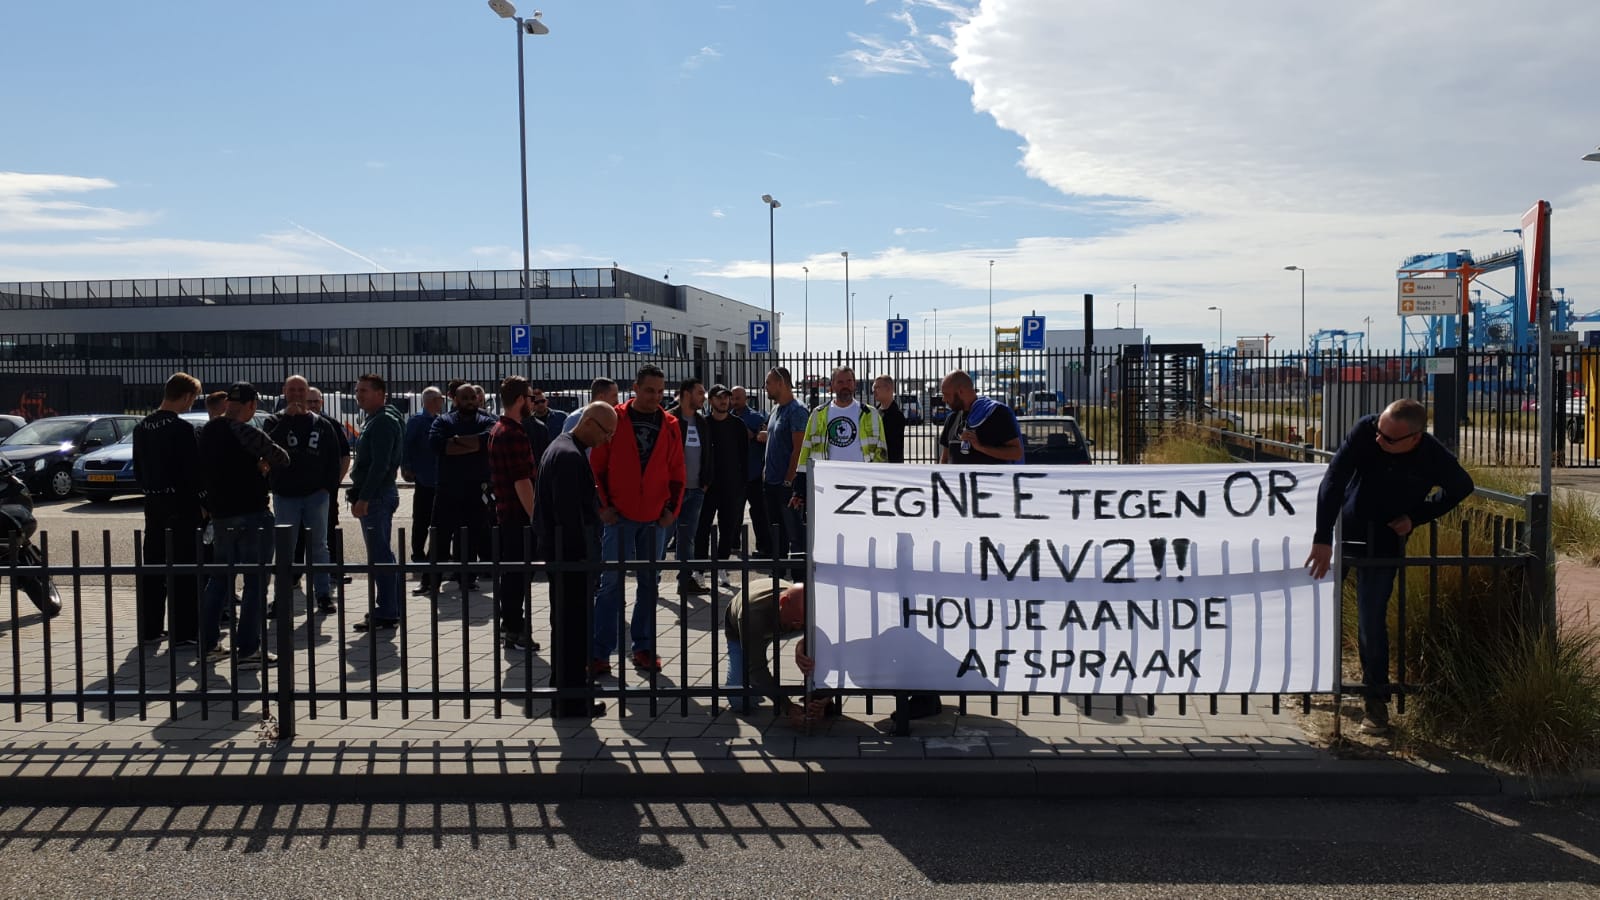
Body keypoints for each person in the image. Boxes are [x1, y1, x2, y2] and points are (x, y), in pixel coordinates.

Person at [1306, 398, 1474, 736]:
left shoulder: (1432, 455)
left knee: (1371, 622)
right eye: (1379, 432)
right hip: (1343, 535)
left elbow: (1461, 486)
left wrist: (1416, 517)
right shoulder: (1367, 430)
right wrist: (1323, 536)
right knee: (1317, 609)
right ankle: (1311, 679)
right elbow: (1334, 479)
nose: (1379, 440)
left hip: (1383, 544)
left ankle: (1375, 704)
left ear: (1414, 438)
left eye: (1389, 438)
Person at [590, 363, 685, 674]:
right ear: (635, 387)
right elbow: (597, 468)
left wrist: (672, 510)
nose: (655, 396)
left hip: (654, 518)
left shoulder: (670, 424)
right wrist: (603, 506)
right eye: (649, 390)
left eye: (660, 391)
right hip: (619, 518)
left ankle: (643, 648)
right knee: (610, 585)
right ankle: (600, 652)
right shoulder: (614, 419)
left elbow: (676, 472)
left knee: (649, 585)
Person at [198, 382, 290, 669]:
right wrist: (263, 463)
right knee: (255, 582)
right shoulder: (245, 430)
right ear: (251, 405)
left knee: (219, 579)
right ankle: (248, 649)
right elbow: (282, 458)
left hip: (221, 515)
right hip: (252, 513)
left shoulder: (208, 430)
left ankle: (209, 644)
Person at [537, 401, 617, 718]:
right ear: (589, 423)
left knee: (567, 629)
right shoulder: (569, 456)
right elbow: (571, 518)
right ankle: (571, 700)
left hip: (564, 557)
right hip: (571, 560)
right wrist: (585, 558)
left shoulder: (561, 447)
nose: (607, 440)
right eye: (606, 432)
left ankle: (568, 691)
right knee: (573, 630)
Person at [132, 372, 205, 648]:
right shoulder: (182, 429)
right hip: (181, 504)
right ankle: (184, 632)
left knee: (153, 566)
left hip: (153, 503)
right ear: (186, 396)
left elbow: (138, 469)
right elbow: (192, 473)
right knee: (184, 568)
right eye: (193, 398)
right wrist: (203, 502)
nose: (191, 404)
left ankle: (150, 628)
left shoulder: (141, 427)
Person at [264, 375, 343, 618]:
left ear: (307, 392)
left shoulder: (322, 424)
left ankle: (323, 595)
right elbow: (269, 447)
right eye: (292, 390)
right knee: (285, 548)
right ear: (284, 392)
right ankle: (281, 598)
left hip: (316, 495)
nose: (297, 394)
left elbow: (334, 458)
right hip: (286, 495)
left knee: (319, 546)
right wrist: (288, 418)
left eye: (301, 390)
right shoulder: (274, 421)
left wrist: (327, 487)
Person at [349, 373, 406, 633]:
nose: (359, 395)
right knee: (384, 554)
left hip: (377, 495)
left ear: (380, 393)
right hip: (381, 493)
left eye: (364, 391)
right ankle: (390, 607)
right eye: (358, 390)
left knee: (380, 555)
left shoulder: (382, 421)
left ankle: (386, 611)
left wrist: (364, 497)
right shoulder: (379, 418)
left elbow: (380, 465)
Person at [428, 382, 497, 592]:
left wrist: (456, 441)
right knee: (440, 535)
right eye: (464, 398)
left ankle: (466, 578)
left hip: (476, 488)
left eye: (472, 398)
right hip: (448, 487)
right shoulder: (443, 421)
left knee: (471, 535)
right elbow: (438, 445)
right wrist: (472, 445)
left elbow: (488, 441)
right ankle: (433, 580)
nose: (469, 401)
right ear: (455, 400)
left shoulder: (487, 420)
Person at [488, 375, 540, 652]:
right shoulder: (515, 433)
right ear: (521, 400)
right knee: (518, 576)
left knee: (511, 574)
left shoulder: (498, 428)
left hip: (506, 513)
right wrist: (535, 518)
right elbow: (522, 481)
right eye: (531, 398)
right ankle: (514, 629)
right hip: (518, 517)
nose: (532, 403)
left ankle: (509, 625)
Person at [791, 366, 887, 509]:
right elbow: (806, 452)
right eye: (840, 382)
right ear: (832, 386)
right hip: (827, 485)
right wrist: (800, 489)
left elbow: (881, 452)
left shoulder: (870, 414)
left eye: (849, 381)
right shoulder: (818, 414)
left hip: (862, 486)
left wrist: (880, 484)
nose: (845, 386)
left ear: (855, 384)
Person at [725, 580, 808, 715]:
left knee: (811, 647)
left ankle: (816, 694)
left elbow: (828, 641)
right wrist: (787, 706)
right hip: (741, 628)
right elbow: (756, 668)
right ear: (783, 603)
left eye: (803, 622)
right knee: (739, 700)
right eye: (796, 621)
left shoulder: (804, 610)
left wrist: (803, 644)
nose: (799, 627)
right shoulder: (752, 614)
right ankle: (759, 688)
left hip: (775, 622)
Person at [698, 384, 749, 589]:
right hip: (707, 486)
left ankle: (721, 566)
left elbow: (744, 456)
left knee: (728, 529)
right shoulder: (703, 424)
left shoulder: (737, 424)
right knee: (702, 529)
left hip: (731, 485)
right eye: (719, 398)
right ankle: (699, 570)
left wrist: (741, 484)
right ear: (710, 400)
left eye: (726, 398)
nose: (724, 401)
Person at [668, 377, 714, 597]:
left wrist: (705, 482)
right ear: (686, 393)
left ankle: (684, 581)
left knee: (687, 538)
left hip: (696, 489)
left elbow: (709, 454)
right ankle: (651, 577)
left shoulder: (702, 422)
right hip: (672, 491)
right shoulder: (669, 419)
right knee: (662, 535)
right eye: (700, 392)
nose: (703, 396)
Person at [305, 386, 353, 585]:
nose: (314, 405)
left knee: (329, 530)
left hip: (326, 490)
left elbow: (345, 456)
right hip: (299, 490)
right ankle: (295, 575)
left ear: (322, 402)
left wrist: (334, 483)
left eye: (317, 401)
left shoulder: (331, 424)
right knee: (298, 533)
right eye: (310, 401)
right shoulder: (293, 422)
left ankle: (333, 570)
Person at [761, 367, 809, 558]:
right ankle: (778, 573)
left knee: (794, 533)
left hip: (786, 484)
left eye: (768, 383)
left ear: (781, 384)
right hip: (771, 482)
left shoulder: (797, 411)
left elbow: (798, 450)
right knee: (776, 532)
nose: (765, 387)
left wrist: (789, 481)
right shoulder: (775, 409)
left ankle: (799, 577)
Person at [402, 386, 444, 594]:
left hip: (438, 477)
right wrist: (407, 467)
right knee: (421, 518)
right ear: (430, 400)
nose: (443, 401)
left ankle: (433, 555)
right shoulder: (418, 421)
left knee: (437, 519)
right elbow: (407, 445)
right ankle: (418, 554)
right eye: (440, 398)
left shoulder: (440, 419)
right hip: (424, 476)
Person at [938, 370, 1023, 465]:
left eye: (946, 394)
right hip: (957, 480)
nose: (944, 399)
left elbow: (1017, 453)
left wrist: (981, 447)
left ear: (961, 391)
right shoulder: (952, 419)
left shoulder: (997, 413)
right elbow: (944, 459)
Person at [729, 386, 771, 558]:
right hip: (735, 473)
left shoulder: (755, 417)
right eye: (733, 398)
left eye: (738, 398)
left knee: (759, 512)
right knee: (733, 510)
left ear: (745, 399)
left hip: (753, 472)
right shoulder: (727, 417)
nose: (735, 401)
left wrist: (753, 436)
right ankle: (732, 543)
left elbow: (765, 439)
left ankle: (763, 546)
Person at [873, 374, 907, 464]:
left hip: (891, 465)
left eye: (877, 387)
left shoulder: (897, 415)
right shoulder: (875, 412)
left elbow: (894, 447)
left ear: (888, 389)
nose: (874, 390)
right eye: (874, 387)